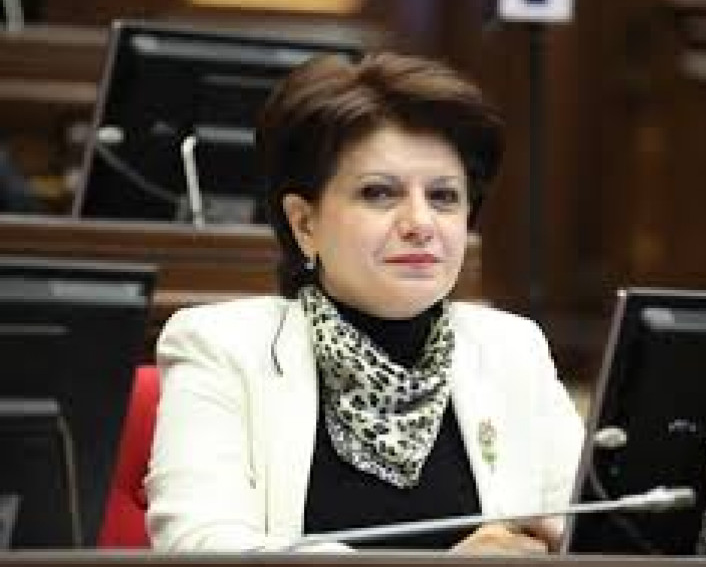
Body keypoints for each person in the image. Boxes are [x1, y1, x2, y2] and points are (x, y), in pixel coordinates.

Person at [144, 52, 584, 553]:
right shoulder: (221, 347)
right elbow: (196, 545)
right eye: (379, 193)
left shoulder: (513, 348)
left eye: (443, 197)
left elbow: (595, 531)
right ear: (304, 223)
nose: (420, 223)